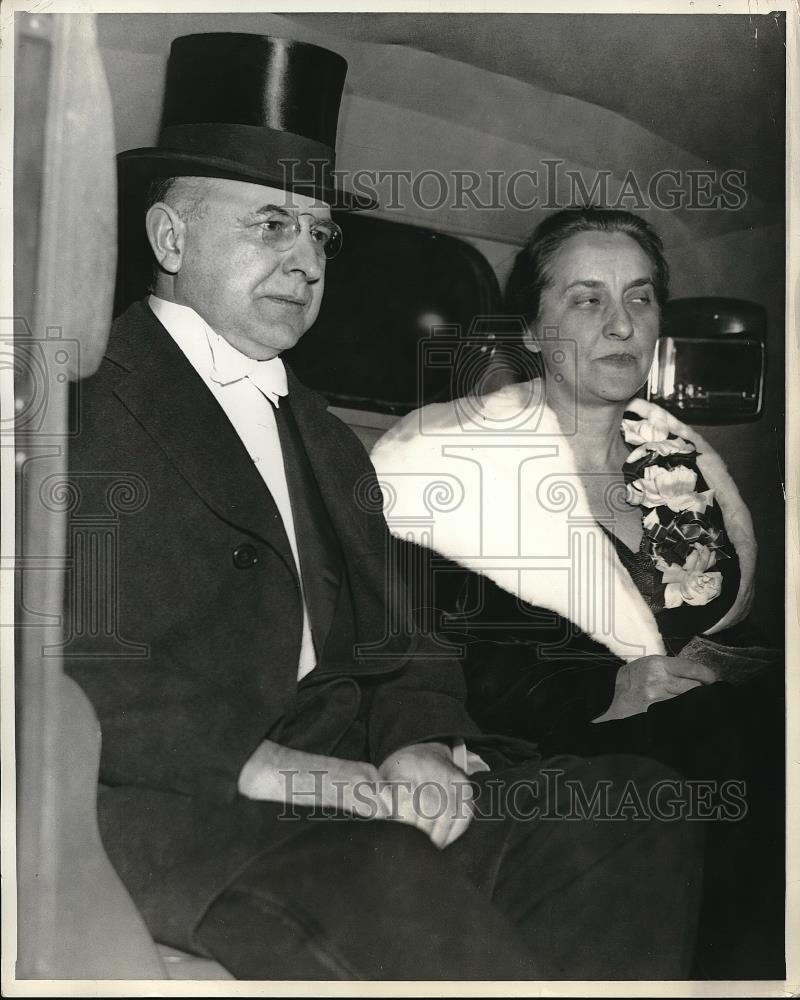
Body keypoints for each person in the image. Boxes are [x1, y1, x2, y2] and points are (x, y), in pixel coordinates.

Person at [65, 36, 704, 981]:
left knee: (625, 810)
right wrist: (296, 773)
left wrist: (416, 745)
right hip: (187, 809)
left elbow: (406, 637)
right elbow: (52, 658)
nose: (306, 260)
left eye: (319, 234)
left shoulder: (321, 433)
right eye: (271, 224)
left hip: (350, 802)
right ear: (169, 238)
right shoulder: (76, 410)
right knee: (384, 871)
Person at [370, 207, 784, 977]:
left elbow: (726, 626)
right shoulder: (438, 457)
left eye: (641, 297)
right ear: (531, 332)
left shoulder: (687, 459)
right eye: (588, 299)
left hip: (699, 730)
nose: (622, 324)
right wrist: (609, 685)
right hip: (533, 745)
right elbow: (421, 647)